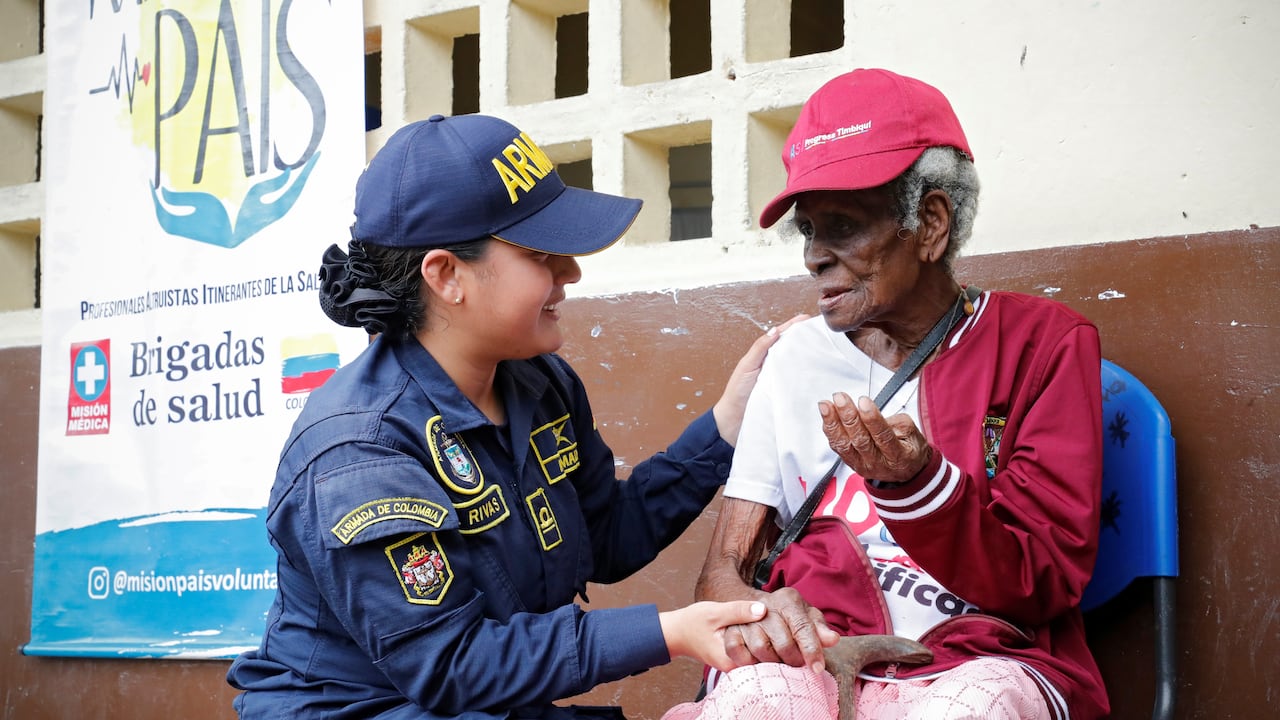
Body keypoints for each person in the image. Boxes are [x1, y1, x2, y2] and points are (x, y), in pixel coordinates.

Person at [226, 112, 804, 719]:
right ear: (447, 275)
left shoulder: (538, 383)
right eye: (541, 252)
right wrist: (673, 632)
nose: (570, 272)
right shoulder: (361, 450)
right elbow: (450, 664)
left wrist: (725, 428)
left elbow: (602, 539)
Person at [677, 68, 1109, 720]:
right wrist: (764, 613)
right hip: (820, 658)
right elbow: (720, 577)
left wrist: (917, 485)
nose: (814, 257)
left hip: (981, 660)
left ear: (930, 223)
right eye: (808, 230)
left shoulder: (1041, 346)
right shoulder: (793, 359)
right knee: (753, 703)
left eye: (843, 226)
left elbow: (1041, 580)